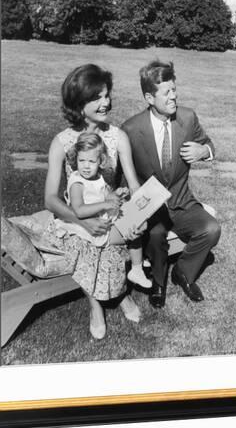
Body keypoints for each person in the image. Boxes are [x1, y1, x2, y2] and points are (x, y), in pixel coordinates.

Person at [44, 64, 146, 339]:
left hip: (110, 209)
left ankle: (119, 293)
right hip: (76, 214)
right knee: (88, 245)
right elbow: (51, 199)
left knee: (117, 237)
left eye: (106, 95)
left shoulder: (117, 137)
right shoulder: (62, 142)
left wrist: (137, 217)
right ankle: (97, 305)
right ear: (79, 103)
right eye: (97, 97)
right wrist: (82, 221)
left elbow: (134, 187)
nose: (106, 102)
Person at [122, 60, 221, 309]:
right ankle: (158, 282)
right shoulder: (131, 129)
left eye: (174, 90)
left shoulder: (187, 118)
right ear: (149, 97)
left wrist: (203, 151)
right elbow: (120, 175)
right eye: (166, 93)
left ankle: (183, 273)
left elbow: (210, 145)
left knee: (211, 229)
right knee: (156, 235)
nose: (174, 97)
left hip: (181, 201)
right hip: (151, 207)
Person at [54, 132, 151, 288]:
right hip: (90, 225)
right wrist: (104, 205)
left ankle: (137, 261)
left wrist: (117, 194)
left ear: (100, 161)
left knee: (138, 220)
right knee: (133, 230)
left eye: (91, 161)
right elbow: (78, 210)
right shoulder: (77, 182)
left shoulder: (98, 177)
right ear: (75, 159)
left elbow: (107, 196)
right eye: (82, 160)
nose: (86, 166)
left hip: (104, 216)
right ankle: (137, 267)